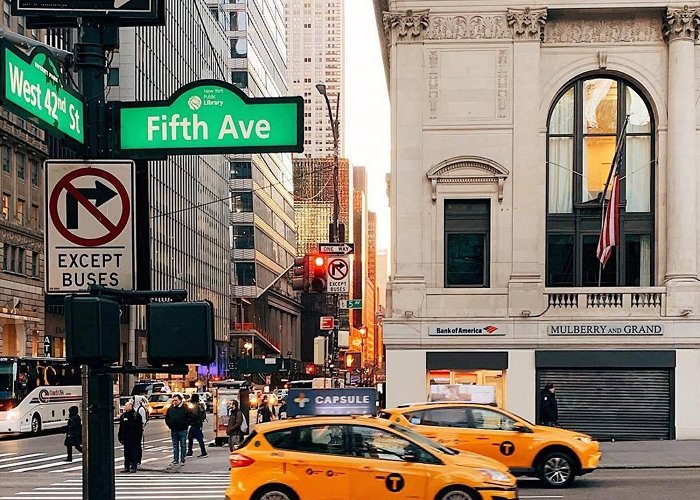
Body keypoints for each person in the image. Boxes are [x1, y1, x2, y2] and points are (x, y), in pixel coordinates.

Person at [165, 393, 193, 466]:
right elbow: (167, 418)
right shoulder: (171, 408)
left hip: (183, 430)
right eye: (173, 400)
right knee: (175, 446)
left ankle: (183, 459)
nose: (174, 402)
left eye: (176, 400)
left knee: (183, 445)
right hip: (174, 429)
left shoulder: (185, 408)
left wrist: (185, 424)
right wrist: (170, 424)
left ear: (180, 400)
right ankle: (175, 459)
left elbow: (190, 417)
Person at [117, 401, 143, 473]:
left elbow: (139, 427)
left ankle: (134, 467)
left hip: (134, 438)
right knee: (126, 453)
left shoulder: (136, 415)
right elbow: (121, 427)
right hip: (126, 438)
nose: (125, 407)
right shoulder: (123, 415)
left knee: (134, 452)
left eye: (126, 406)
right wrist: (120, 436)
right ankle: (126, 467)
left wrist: (138, 438)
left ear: (130, 406)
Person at [186, 394, 208, 458]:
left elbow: (194, 415)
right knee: (192, 437)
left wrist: (189, 420)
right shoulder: (200, 405)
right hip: (198, 424)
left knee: (197, 438)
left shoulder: (194, 406)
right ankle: (190, 451)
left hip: (195, 424)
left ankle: (203, 452)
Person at [133, 395, 149, 465]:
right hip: (133, 430)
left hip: (138, 430)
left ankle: (138, 460)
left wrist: (141, 427)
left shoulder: (141, 409)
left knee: (137, 445)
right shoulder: (134, 408)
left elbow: (143, 420)